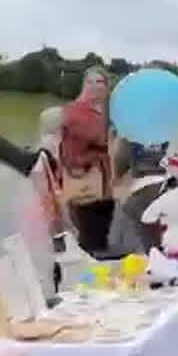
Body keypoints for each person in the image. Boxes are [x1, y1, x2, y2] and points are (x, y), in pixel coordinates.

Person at [57, 67, 120, 254]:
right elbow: (98, 137)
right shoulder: (75, 111)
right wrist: (116, 131)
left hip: (103, 180)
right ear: (83, 86)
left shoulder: (105, 111)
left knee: (102, 229)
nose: (94, 86)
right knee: (90, 232)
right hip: (84, 177)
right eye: (89, 82)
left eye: (99, 82)